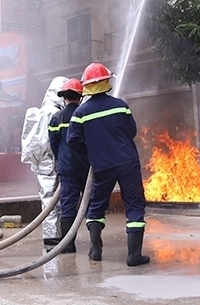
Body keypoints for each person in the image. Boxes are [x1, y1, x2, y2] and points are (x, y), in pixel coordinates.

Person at [67, 62, 150, 267]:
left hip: (102, 165)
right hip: (127, 162)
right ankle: (134, 255)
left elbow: (72, 141)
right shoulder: (121, 105)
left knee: (96, 206)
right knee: (135, 205)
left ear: (86, 86)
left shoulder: (80, 113)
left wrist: (90, 153)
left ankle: (95, 251)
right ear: (106, 82)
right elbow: (131, 131)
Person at [21, 76, 67, 250]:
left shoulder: (45, 110)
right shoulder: (51, 112)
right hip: (49, 163)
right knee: (50, 202)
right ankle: (52, 238)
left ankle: (55, 234)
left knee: (51, 201)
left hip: (45, 164)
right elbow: (46, 141)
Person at [48, 78, 88, 254]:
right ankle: (96, 244)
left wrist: (61, 159)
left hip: (67, 168)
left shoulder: (57, 118)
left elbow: (54, 143)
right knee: (91, 204)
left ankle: (68, 245)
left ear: (64, 98)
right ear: (80, 97)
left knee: (68, 204)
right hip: (87, 167)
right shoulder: (85, 114)